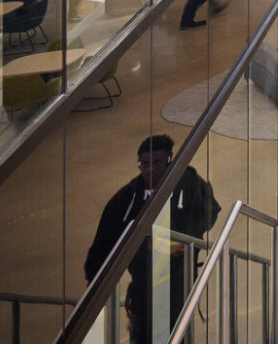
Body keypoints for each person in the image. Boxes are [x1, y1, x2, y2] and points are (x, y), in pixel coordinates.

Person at [86, 134, 220, 344]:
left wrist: (181, 243)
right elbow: (104, 240)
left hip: (176, 282)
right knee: (143, 332)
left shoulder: (190, 184)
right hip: (143, 286)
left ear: (170, 158)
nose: (149, 169)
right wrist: (94, 281)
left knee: (172, 330)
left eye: (156, 162)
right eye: (143, 164)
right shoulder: (129, 197)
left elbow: (210, 211)